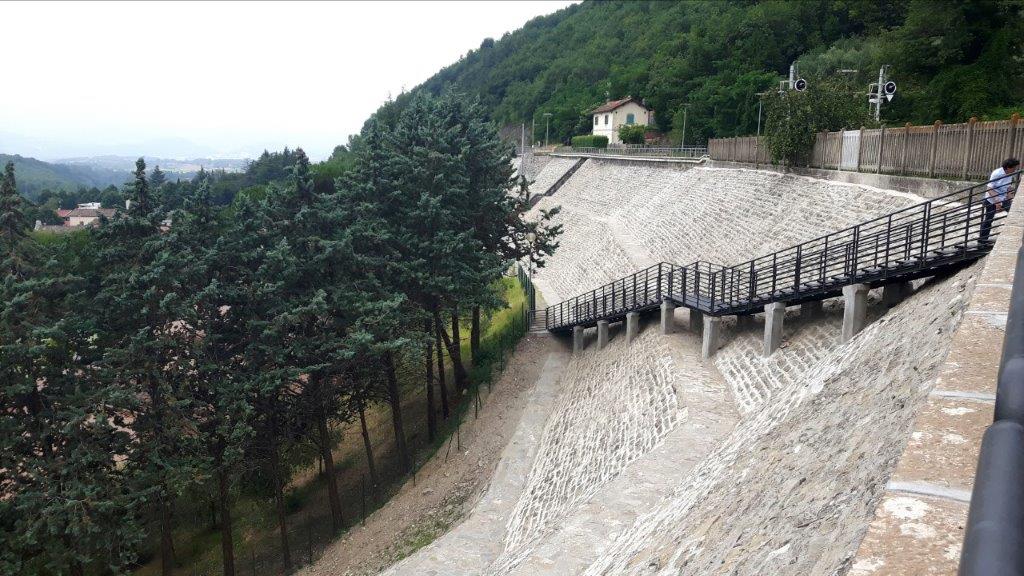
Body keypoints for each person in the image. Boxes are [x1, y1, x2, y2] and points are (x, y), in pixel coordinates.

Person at [980, 157, 1020, 244]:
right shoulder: (997, 173)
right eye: (1014, 168)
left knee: (1014, 212)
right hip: (991, 199)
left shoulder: (1010, 174)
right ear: (1009, 167)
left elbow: (1008, 188)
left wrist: (1010, 198)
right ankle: (982, 241)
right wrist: (997, 202)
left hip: (1003, 198)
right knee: (988, 220)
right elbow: (989, 189)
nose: (1015, 170)